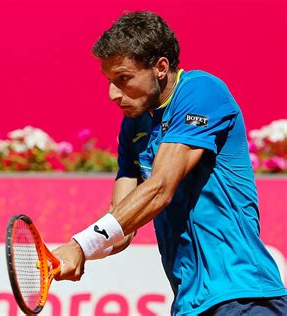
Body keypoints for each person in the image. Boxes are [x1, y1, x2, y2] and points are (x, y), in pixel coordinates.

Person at [52, 11, 287, 315]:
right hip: (188, 304)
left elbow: (160, 188)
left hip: (244, 295)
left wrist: (81, 245)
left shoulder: (201, 91)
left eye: (123, 79)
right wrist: (73, 255)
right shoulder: (134, 126)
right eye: (109, 81)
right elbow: (123, 223)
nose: (112, 94)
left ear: (161, 67)